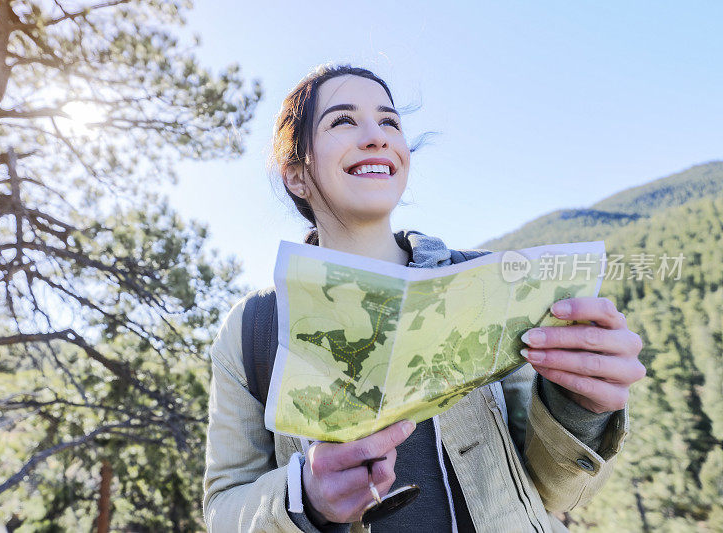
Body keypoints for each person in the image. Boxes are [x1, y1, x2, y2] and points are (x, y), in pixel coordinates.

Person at [202, 64, 645, 532]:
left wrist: (582, 407)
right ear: (296, 174)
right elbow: (223, 510)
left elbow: (558, 491)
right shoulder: (253, 328)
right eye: (343, 121)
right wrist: (303, 497)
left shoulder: (489, 284)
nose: (377, 137)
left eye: (390, 122)